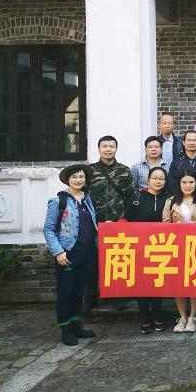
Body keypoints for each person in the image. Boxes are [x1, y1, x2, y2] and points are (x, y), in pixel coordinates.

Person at [43, 164, 98, 346]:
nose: (78, 180)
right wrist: (58, 252)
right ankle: (65, 328)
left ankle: (76, 325)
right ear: (68, 180)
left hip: (87, 252)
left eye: (81, 177)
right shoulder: (58, 202)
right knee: (65, 292)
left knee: (78, 291)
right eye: (74, 177)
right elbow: (49, 229)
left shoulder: (88, 199)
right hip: (68, 253)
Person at [86, 135, 135, 314]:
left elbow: (131, 196)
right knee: (93, 262)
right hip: (95, 224)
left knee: (117, 260)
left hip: (117, 224)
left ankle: (118, 297)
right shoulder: (89, 171)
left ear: (116, 148)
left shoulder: (124, 171)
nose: (108, 149)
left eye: (111, 146)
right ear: (99, 149)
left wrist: (125, 219)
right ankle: (90, 298)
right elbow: (83, 195)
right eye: (105, 146)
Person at [123, 167, 171, 334]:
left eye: (161, 179)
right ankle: (144, 317)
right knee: (142, 284)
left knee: (158, 283)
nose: (158, 181)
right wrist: (112, 227)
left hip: (161, 247)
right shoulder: (137, 197)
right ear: (148, 179)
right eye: (154, 178)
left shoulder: (168, 199)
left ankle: (157, 315)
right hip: (140, 248)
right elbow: (125, 219)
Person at [163, 170, 196, 334]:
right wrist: (174, 227)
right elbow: (164, 223)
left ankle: (193, 317)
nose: (187, 185)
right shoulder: (171, 201)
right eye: (184, 182)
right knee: (178, 282)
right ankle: (182, 317)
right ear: (179, 184)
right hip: (176, 246)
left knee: (194, 280)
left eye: (191, 182)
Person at [167, 130, 196, 198]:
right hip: (181, 200)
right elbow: (172, 184)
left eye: (194, 140)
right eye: (189, 140)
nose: (191, 143)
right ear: (183, 143)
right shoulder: (176, 162)